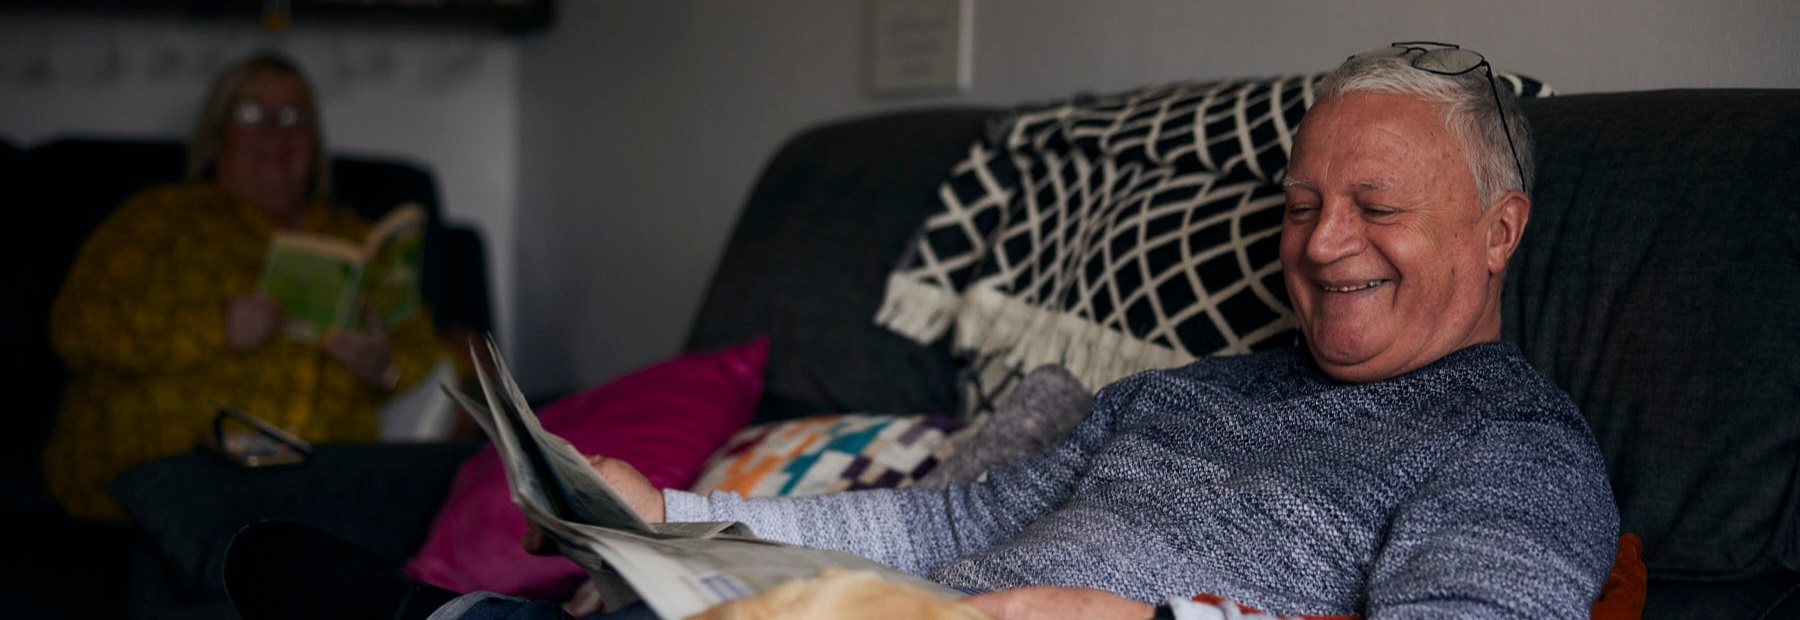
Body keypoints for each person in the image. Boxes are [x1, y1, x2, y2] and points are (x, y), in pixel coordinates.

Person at [222, 42, 1620, 619]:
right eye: (1303, 203)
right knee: (275, 552)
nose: (1319, 243)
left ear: (1499, 229)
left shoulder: (1512, 446)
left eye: (1376, 206)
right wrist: (670, 512)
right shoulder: (1194, 390)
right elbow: (944, 522)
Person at [43, 51, 459, 523]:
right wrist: (217, 329)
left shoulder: (357, 240)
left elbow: (429, 356)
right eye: (252, 113)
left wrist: (383, 369)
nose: (276, 131)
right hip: (169, 482)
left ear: (315, 143)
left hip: (327, 494)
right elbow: (76, 327)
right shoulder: (156, 218)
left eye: (294, 116)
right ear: (216, 136)